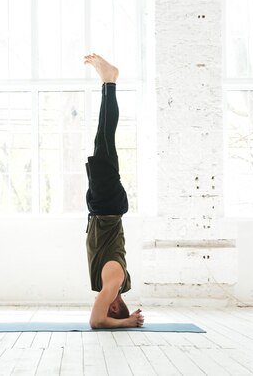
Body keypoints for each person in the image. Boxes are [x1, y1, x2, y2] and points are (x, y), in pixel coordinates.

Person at [83, 53, 144, 329]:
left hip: (103, 207)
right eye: (109, 306)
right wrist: (128, 323)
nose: (102, 301)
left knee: (102, 137)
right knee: (105, 136)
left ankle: (107, 82)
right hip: (107, 206)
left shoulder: (110, 282)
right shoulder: (114, 282)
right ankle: (110, 80)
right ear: (115, 305)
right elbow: (96, 322)